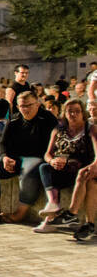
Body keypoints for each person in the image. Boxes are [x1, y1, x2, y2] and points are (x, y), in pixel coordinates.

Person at [0, 91, 56, 223]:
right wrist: (5, 157)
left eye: (29, 105)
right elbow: (3, 143)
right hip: (15, 158)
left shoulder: (48, 119)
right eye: (22, 106)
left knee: (27, 172)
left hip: (37, 157)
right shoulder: (14, 119)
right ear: (17, 107)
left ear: (37, 105)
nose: (25, 109)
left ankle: (20, 213)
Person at [33, 98, 97, 232]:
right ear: (65, 113)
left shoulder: (90, 128)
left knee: (88, 179)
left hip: (82, 167)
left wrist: (93, 165)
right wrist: (52, 161)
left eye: (77, 111)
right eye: (70, 111)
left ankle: (73, 216)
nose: (73, 114)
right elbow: (47, 154)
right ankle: (53, 205)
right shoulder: (58, 129)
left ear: (82, 113)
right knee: (44, 167)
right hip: (61, 169)